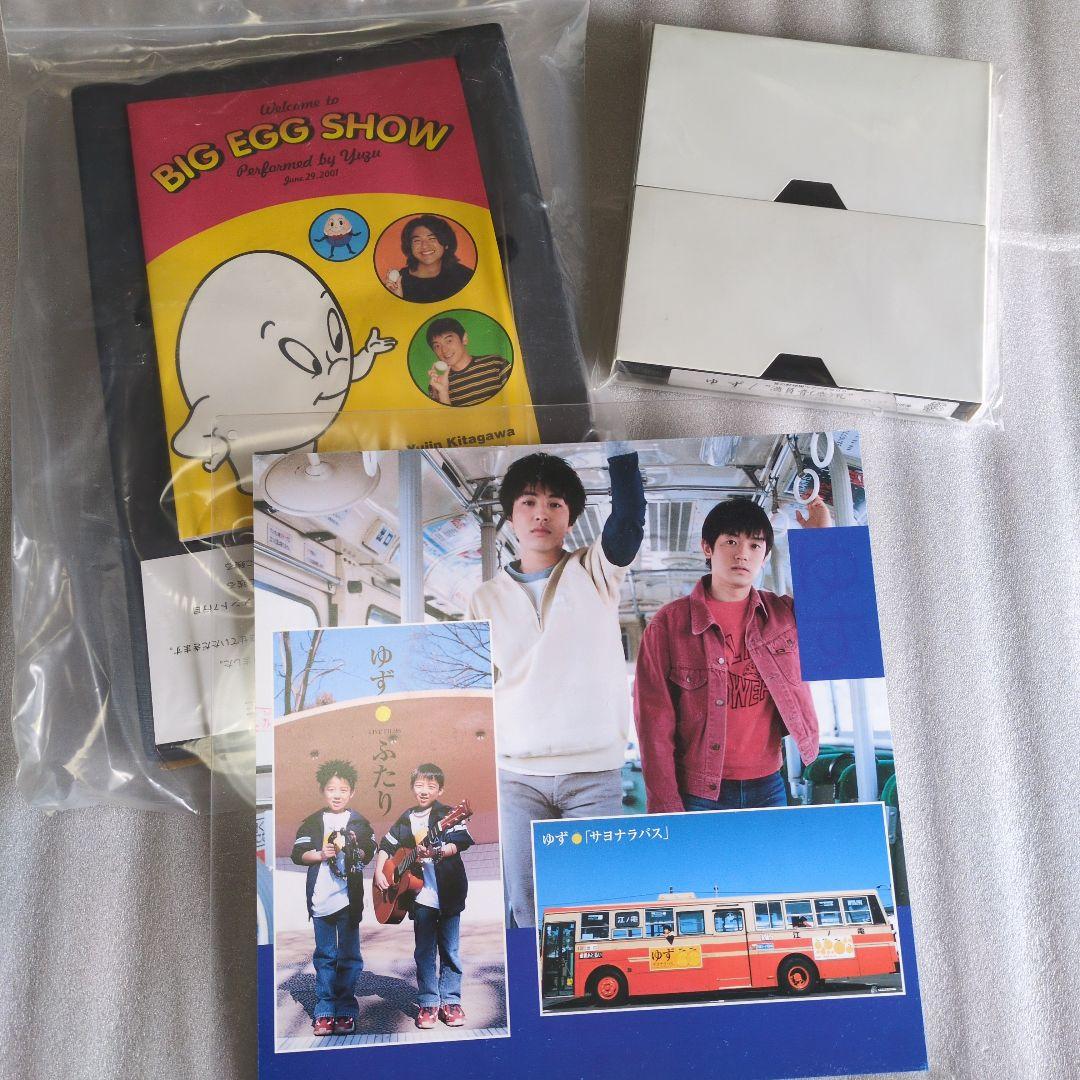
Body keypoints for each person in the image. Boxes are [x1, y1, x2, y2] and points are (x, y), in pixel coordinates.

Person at [467, 449, 646, 926]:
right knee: (525, 905)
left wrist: (619, 451)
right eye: (528, 502)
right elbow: (476, 687)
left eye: (555, 504)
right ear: (510, 517)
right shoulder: (483, 599)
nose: (540, 514)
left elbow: (628, 521)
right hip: (516, 776)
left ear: (571, 518)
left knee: (595, 902)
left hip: (593, 774)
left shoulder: (596, 570)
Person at [634, 496, 830, 814]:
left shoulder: (783, 615)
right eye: (731, 541)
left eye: (755, 545)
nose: (743, 554)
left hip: (769, 785)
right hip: (699, 792)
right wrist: (666, 807)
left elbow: (841, 619)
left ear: (766, 556)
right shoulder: (668, 625)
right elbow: (653, 724)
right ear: (707, 548)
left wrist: (822, 539)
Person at [373, 763, 475, 1030]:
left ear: (440, 790)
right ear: (412, 788)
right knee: (424, 952)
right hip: (420, 898)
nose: (424, 790)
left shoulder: (448, 814)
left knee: (450, 951)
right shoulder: (407, 817)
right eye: (419, 785)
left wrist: (436, 853)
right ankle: (428, 1002)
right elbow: (386, 845)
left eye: (431, 786)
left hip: (449, 893)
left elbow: (460, 842)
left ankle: (451, 1001)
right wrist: (380, 871)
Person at [290, 759, 376, 1037]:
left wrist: (356, 850)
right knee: (325, 956)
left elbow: (369, 849)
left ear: (352, 792)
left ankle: (346, 1009)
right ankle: (325, 1009)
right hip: (321, 900)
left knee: (349, 957)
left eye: (343, 789)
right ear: (322, 791)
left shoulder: (359, 822)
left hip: (349, 901)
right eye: (331, 789)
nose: (337, 795)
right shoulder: (312, 822)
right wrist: (320, 854)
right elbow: (298, 854)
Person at [385, 214, 474, 303]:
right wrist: (395, 299)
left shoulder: (465, 277)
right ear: (409, 246)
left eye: (432, 239)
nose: (424, 246)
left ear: (446, 243)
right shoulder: (398, 282)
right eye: (417, 240)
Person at [424, 317, 511, 407]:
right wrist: (443, 392)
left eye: (449, 341)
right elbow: (446, 416)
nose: (444, 350)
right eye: (437, 346)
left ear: (464, 339)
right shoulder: (437, 385)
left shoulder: (497, 364)